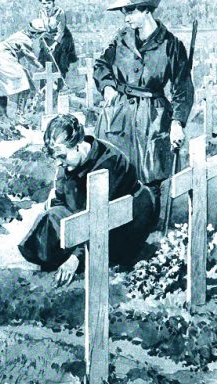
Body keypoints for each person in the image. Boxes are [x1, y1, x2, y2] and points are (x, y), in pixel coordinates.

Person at [18, 114, 158, 285]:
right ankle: (49, 266)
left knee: (102, 248)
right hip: (88, 216)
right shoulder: (68, 165)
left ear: (78, 146)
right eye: (56, 158)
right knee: (51, 216)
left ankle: (83, 263)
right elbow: (61, 202)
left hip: (125, 221)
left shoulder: (109, 163)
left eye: (62, 156)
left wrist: (75, 259)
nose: (59, 164)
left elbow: (100, 220)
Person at [93, 0, 194, 214]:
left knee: (151, 173)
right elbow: (101, 65)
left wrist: (177, 123)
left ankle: (148, 226)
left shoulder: (171, 45)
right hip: (118, 114)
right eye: (123, 12)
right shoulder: (121, 38)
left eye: (130, 11)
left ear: (146, 9)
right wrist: (108, 86)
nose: (125, 17)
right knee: (113, 170)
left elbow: (182, 88)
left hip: (153, 115)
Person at [0, 20, 46, 122]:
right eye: (40, 34)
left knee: (4, 85)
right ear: (37, 33)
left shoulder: (21, 34)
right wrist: (41, 67)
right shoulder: (26, 40)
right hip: (4, 57)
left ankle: (3, 116)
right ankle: (19, 115)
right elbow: (30, 57)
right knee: (24, 84)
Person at [33, 0, 77, 86]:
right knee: (44, 60)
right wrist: (42, 35)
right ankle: (44, 88)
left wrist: (54, 44)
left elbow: (60, 31)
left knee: (61, 62)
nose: (46, 6)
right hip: (48, 38)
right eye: (44, 3)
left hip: (62, 40)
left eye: (49, 3)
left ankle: (61, 87)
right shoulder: (41, 12)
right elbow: (41, 27)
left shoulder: (60, 12)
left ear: (53, 2)